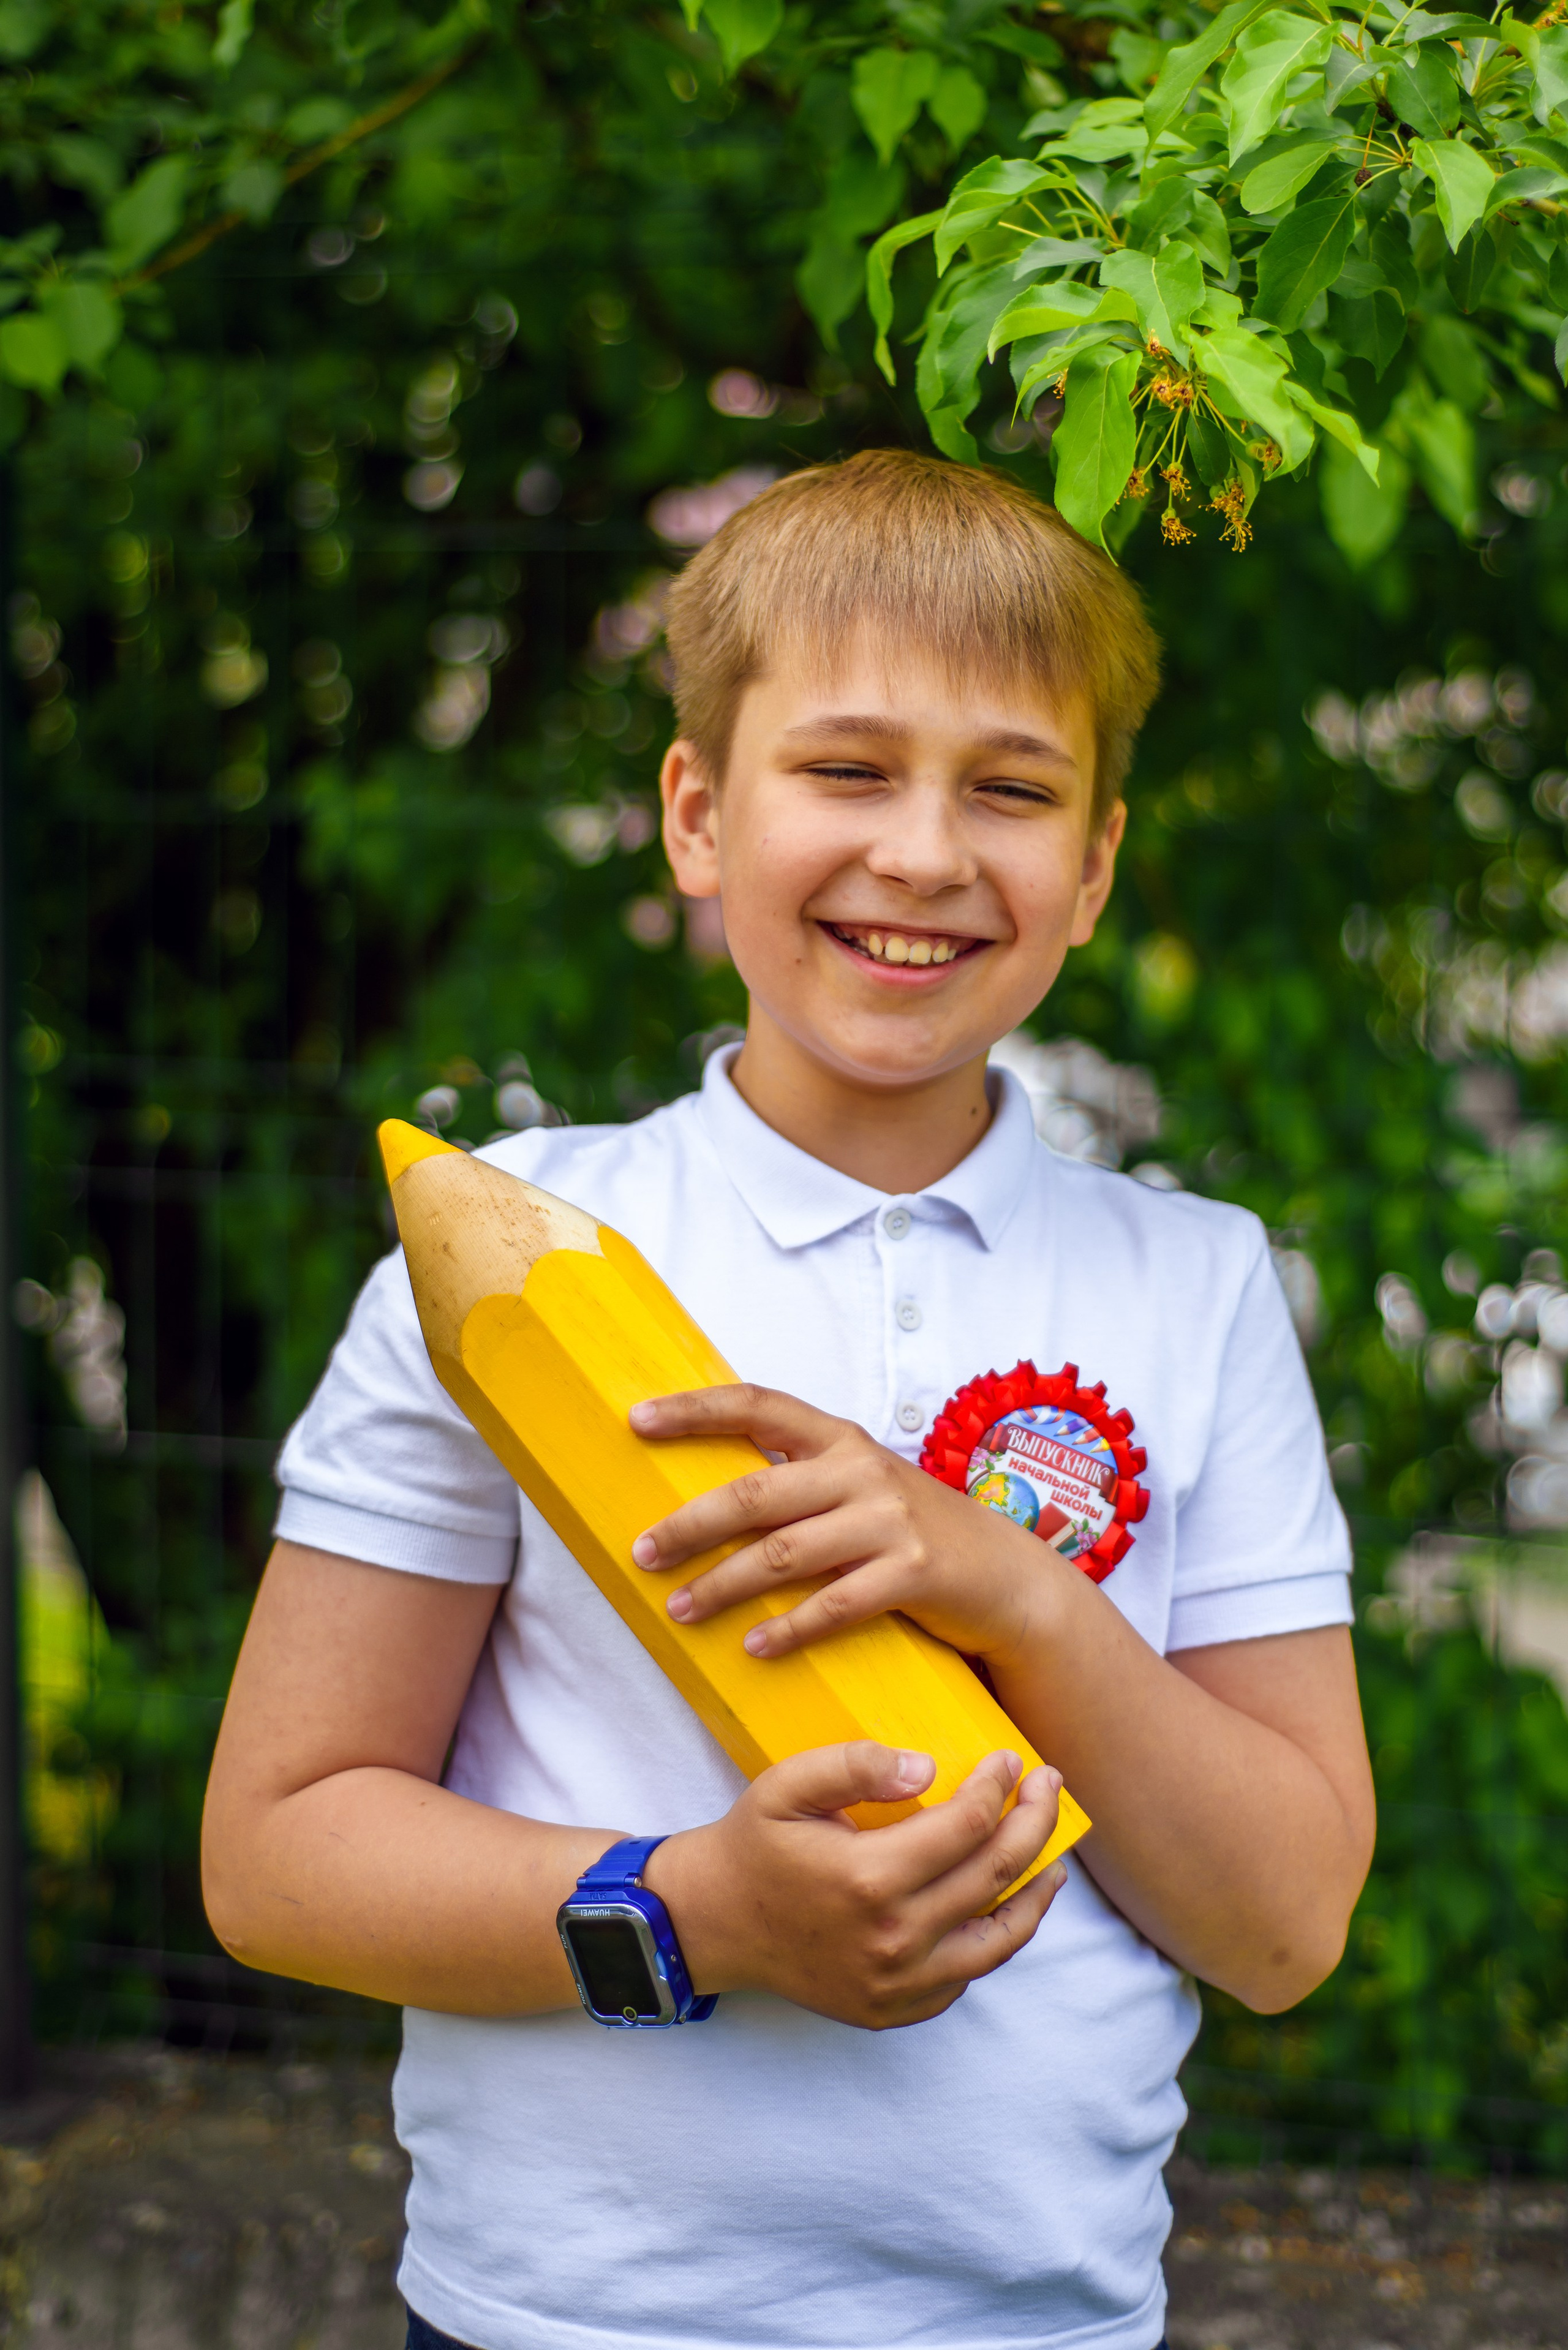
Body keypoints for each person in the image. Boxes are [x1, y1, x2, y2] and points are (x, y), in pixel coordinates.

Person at [202, 450, 1374, 2350]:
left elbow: (1282, 1928)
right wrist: (702, 1919)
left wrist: (1008, 1590)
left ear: (1092, 869)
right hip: (558, 2325)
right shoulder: (508, 1256)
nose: (923, 851)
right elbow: (277, 1856)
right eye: (846, 771)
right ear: (696, 814)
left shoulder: (1197, 1282)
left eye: (1010, 789)